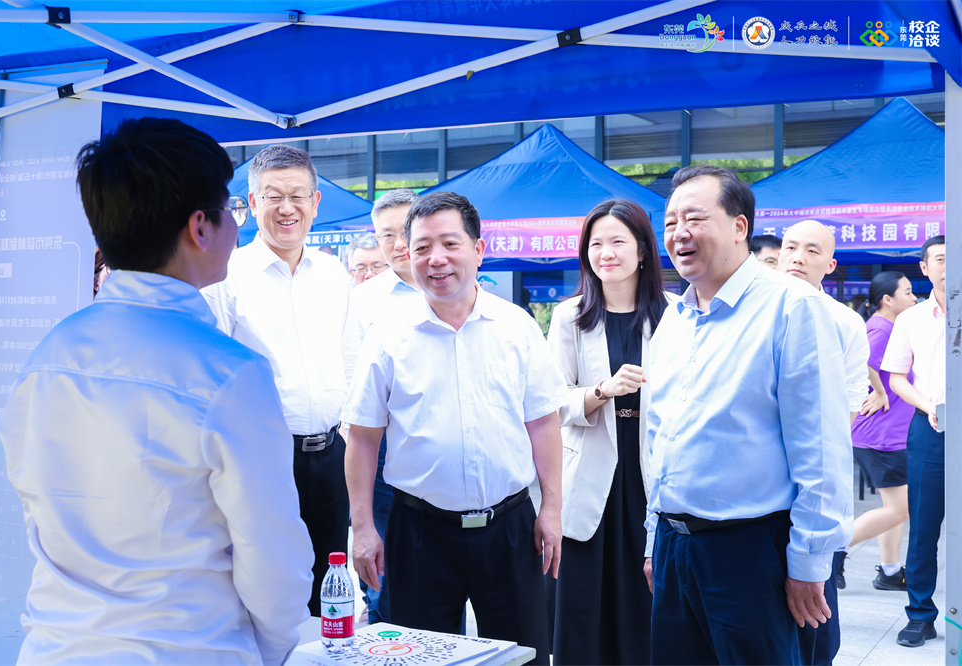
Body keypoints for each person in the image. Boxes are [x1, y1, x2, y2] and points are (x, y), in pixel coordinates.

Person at [0, 118, 314, 665]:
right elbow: (271, 558)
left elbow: (35, 505)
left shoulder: (47, 355)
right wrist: (280, 644)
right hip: (188, 649)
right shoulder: (229, 372)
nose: (235, 225)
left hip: (55, 647)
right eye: (230, 210)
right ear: (200, 227)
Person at [343, 192, 566, 664]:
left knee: (522, 654)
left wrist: (552, 508)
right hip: (419, 530)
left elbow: (544, 422)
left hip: (510, 527)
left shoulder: (517, 326)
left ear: (478, 250)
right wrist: (362, 527)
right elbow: (362, 437)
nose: (436, 259)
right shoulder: (388, 334)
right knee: (419, 656)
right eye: (422, 247)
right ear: (408, 255)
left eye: (450, 243)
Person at [647, 165, 853, 665]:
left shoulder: (792, 308)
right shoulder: (674, 317)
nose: (678, 233)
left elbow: (820, 447)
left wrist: (810, 561)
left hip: (752, 552)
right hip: (675, 546)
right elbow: (660, 436)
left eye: (694, 218)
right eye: (670, 222)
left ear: (739, 226)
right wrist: (654, 538)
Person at [202, 144, 356, 617]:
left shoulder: (334, 274)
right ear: (252, 203)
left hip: (331, 456)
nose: (287, 208)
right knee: (264, 590)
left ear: (315, 202)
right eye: (273, 196)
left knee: (328, 590)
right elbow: (207, 375)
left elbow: (349, 358)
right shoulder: (225, 276)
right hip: (261, 459)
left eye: (297, 195)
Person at [546, 199, 671, 665]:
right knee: (582, 610)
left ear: (642, 250)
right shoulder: (570, 316)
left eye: (618, 241)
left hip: (651, 475)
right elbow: (552, 402)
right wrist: (601, 391)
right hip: (590, 477)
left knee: (646, 604)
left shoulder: (675, 316)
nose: (606, 253)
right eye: (596, 243)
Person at [777, 219, 870, 665]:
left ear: (830, 265)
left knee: (815, 617)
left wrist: (818, 456)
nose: (798, 257)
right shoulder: (753, 311)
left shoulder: (845, 321)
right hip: (756, 489)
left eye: (812, 251)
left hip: (812, 479)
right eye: (791, 247)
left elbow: (849, 402)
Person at [347, 188, 422, 624]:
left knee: (437, 571)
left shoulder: (461, 287)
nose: (398, 244)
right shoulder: (364, 299)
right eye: (386, 235)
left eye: (405, 230)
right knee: (384, 570)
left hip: (444, 455)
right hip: (382, 450)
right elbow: (350, 381)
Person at [881, 235, 946, 648]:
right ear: (925, 267)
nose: (948, 265)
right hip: (930, 427)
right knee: (923, 524)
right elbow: (896, 378)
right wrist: (930, 406)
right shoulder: (912, 319)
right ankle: (920, 615)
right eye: (940, 259)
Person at [848, 271, 917, 590]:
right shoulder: (880, 328)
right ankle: (834, 550)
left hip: (888, 436)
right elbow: (861, 360)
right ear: (888, 299)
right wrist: (878, 391)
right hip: (880, 437)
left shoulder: (891, 327)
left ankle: (890, 571)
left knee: (896, 508)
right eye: (908, 292)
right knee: (901, 508)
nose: (914, 298)